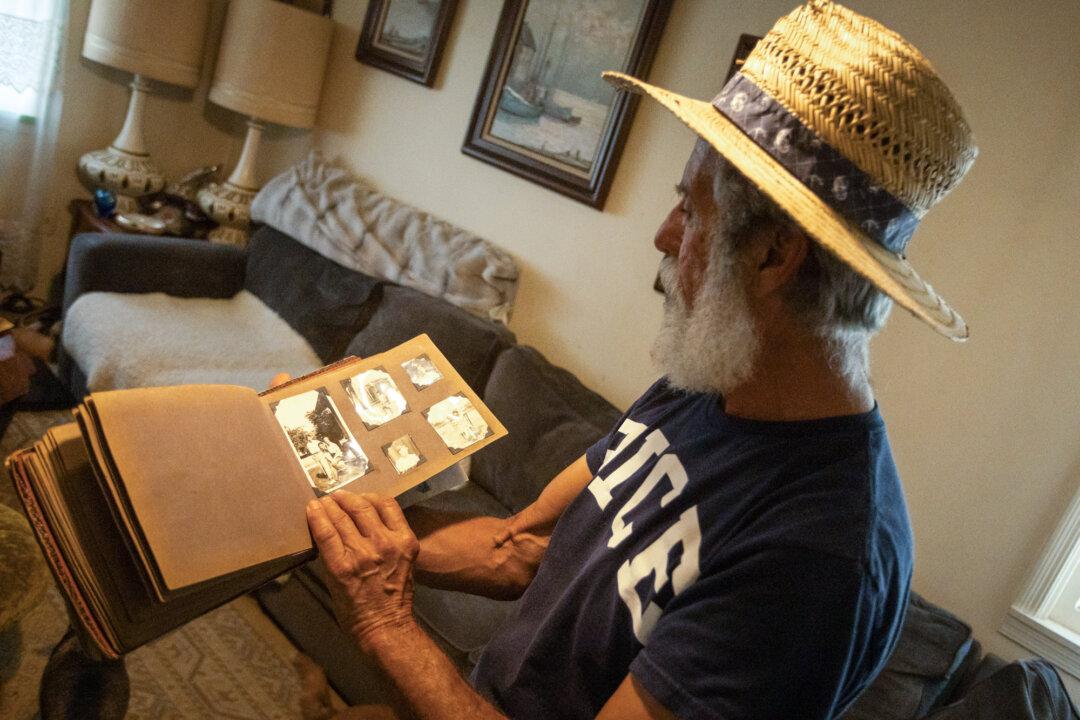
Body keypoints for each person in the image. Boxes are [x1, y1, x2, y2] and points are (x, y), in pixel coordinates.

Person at [301, 2, 977, 718]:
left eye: (691, 208)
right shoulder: (706, 387)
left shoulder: (817, 559)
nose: (663, 235)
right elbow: (520, 545)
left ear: (775, 254)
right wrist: (339, 522)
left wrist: (383, 623)